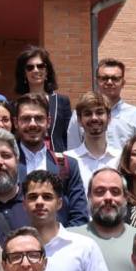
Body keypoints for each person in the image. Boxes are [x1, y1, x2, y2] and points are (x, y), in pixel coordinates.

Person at [25, 170, 114, 271]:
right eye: (33, 197)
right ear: (24, 203)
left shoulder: (84, 247)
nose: (40, 202)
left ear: (59, 203)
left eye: (47, 197)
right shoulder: (16, 251)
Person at [11, 96, 90, 226]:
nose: (32, 124)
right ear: (16, 123)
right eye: (26, 119)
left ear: (48, 122)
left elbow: (79, 215)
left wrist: (59, 243)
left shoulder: (67, 165)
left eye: (38, 118)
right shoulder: (7, 165)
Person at [68, 169, 136, 271]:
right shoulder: (70, 239)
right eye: (100, 192)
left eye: (115, 192)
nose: (108, 198)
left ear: (126, 197)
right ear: (89, 196)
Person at [64, 57, 136, 153]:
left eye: (115, 78)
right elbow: (73, 150)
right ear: (97, 81)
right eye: (104, 78)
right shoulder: (81, 114)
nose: (109, 82)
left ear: (123, 83)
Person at [14, 45, 74, 152]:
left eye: (40, 66)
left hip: (57, 159)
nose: (36, 70)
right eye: (30, 67)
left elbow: (68, 135)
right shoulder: (16, 104)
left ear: (46, 71)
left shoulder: (61, 101)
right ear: (24, 74)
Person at [65, 92, 122, 190]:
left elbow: (132, 198)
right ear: (79, 120)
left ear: (109, 118)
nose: (94, 118)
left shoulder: (121, 159)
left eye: (99, 113)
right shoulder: (67, 160)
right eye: (88, 114)